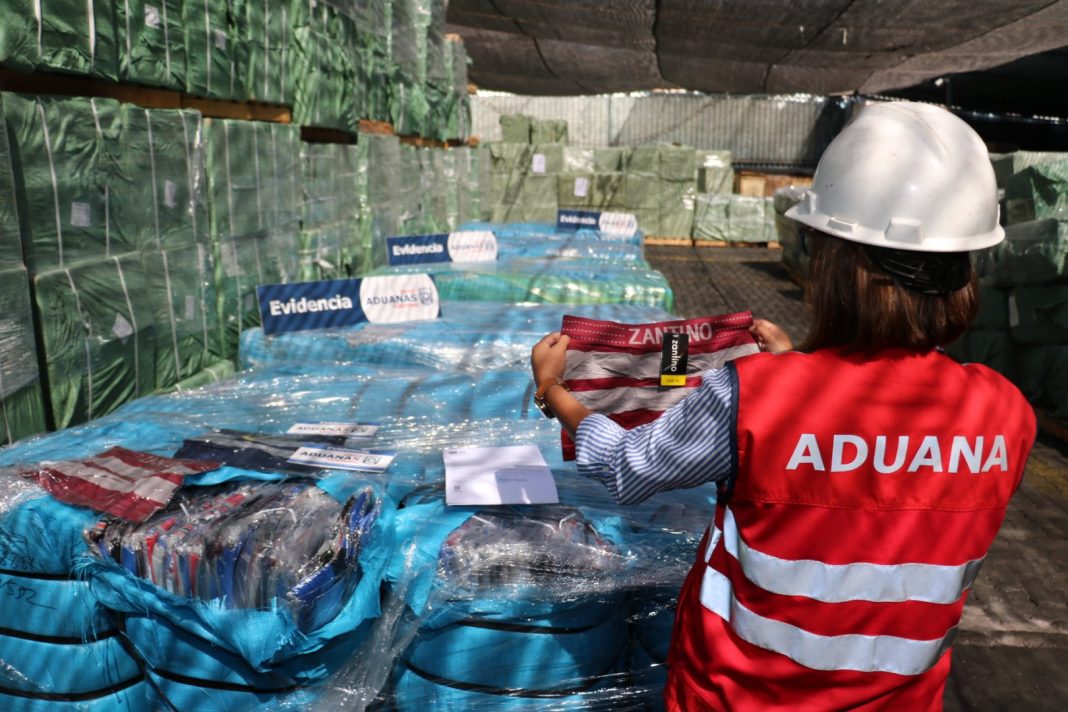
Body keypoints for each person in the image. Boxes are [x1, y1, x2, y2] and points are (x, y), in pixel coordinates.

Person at [530, 101, 1036, 710]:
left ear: (837, 264)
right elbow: (876, 497)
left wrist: (556, 391)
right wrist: (801, 367)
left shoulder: (753, 394)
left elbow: (630, 467)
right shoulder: (1007, 414)